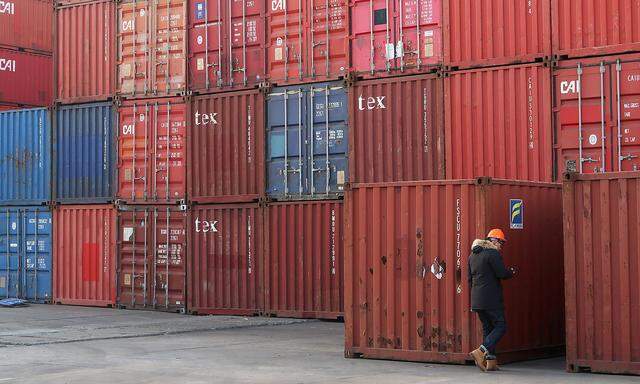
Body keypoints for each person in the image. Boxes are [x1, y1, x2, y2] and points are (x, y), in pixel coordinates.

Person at [468, 229, 517, 372]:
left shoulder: (472, 255)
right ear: (493, 241)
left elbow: (469, 279)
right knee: (501, 326)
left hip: (477, 299)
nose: (501, 246)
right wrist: (511, 272)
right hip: (491, 299)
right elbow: (501, 273)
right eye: (501, 242)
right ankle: (481, 351)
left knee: (488, 328)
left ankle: (490, 361)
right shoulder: (493, 253)